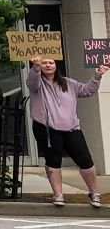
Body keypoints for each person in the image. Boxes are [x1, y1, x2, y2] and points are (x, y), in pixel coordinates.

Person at [27, 56, 109, 208]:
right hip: (47, 128)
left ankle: (94, 193)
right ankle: (58, 194)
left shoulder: (69, 83)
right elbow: (32, 82)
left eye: (50, 62)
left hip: (71, 128)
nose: (47, 65)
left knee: (86, 161)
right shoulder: (37, 84)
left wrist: (97, 75)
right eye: (44, 63)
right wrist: (35, 68)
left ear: (56, 65)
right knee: (53, 162)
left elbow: (87, 90)